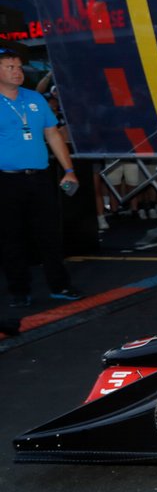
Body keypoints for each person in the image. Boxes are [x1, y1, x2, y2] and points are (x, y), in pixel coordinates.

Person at [0, 48, 81, 307]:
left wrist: (69, 170)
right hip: (6, 180)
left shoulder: (35, 99)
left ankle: (60, 286)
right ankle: (18, 291)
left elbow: (53, 135)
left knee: (49, 234)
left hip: (40, 178)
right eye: (10, 67)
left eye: (19, 67)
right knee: (11, 236)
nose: (17, 71)